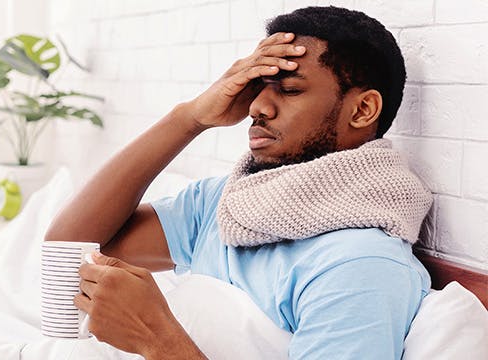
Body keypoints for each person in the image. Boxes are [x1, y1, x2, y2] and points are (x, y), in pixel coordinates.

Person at [45, 6, 433, 360]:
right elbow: (70, 248)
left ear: (363, 110)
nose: (257, 107)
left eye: (290, 89)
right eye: (257, 87)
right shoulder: (228, 202)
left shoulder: (360, 264)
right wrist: (190, 118)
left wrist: (157, 340)